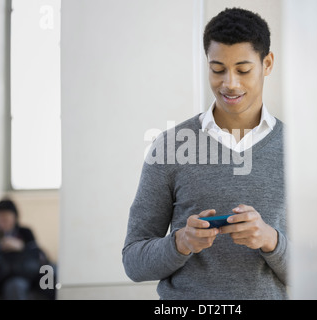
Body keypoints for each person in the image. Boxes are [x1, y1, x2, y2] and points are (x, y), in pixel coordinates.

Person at [122, 8, 288, 299]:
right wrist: (180, 243)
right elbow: (134, 262)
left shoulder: (298, 150)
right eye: (218, 69)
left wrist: (270, 240)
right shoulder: (170, 147)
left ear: (267, 63)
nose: (229, 83)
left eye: (243, 69)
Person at [0, 199, 47, 300]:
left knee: (15, 286)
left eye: (6, 217)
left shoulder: (25, 233)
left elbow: (39, 256)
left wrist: (21, 247)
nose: (3, 221)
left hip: (18, 274)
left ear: (15, 217)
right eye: (0, 217)